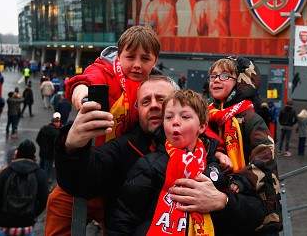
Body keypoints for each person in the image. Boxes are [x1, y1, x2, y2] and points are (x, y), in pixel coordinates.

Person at [45, 25, 160, 236]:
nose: (136, 65)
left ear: (155, 60)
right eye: (130, 57)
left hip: (123, 178)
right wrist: (82, 98)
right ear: (119, 55)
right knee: (58, 201)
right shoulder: (105, 70)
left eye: (145, 59)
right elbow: (85, 81)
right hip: (91, 165)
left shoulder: (157, 86)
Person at [109, 89, 263, 234]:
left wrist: (224, 201)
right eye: (169, 117)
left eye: (185, 117)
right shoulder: (149, 166)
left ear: (202, 126)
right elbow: (123, 219)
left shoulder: (216, 167)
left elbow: (255, 214)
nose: (175, 122)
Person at [199, 56, 281, 232]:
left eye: (225, 76)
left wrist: (240, 181)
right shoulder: (206, 115)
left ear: (240, 83)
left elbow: (265, 157)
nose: (216, 81)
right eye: (213, 76)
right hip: (221, 205)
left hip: (255, 209)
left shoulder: (251, 118)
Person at [0, 139, 48, 235]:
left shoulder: (6, 172)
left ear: (18, 154)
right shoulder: (40, 174)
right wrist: (33, 214)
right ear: (33, 155)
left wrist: (1, 215)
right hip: (27, 224)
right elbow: (44, 200)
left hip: (5, 224)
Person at [36, 113, 62, 183]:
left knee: (41, 166)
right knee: (47, 169)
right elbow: (57, 145)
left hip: (42, 152)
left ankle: (38, 179)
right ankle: (44, 181)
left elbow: (38, 139)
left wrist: (42, 146)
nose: (59, 123)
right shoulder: (57, 133)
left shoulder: (44, 128)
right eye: (58, 122)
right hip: (50, 154)